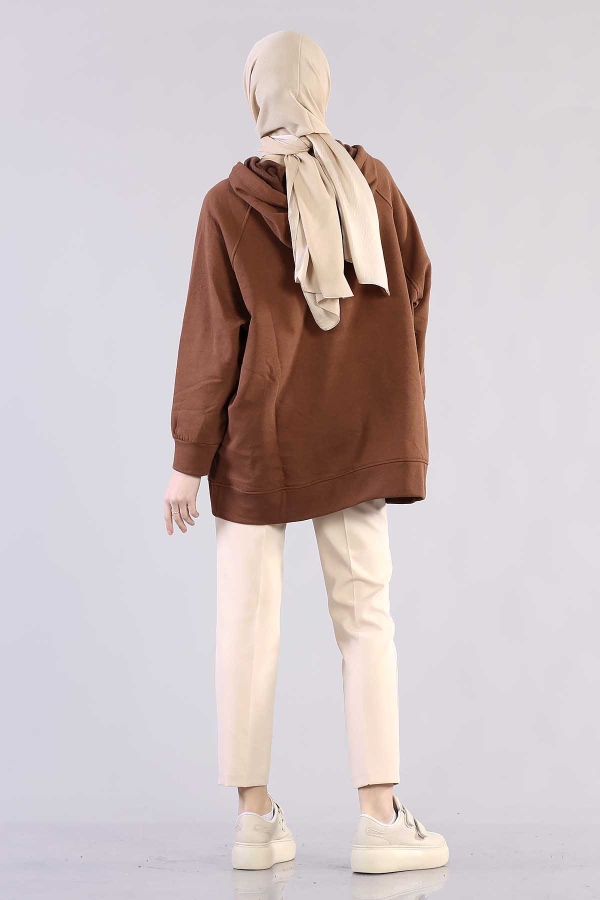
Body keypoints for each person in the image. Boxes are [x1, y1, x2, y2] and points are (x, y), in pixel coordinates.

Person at [163, 30, 448, 875]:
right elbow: (417, 289)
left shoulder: (227, 204)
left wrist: (187, 461)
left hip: (259, 447)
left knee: (245, 626)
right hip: (358, 435)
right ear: (320, 88)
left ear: (258, 95)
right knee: (367, 621)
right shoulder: (374, 183)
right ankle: (381, 822)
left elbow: (212, 340)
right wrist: (390, 397)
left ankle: (254, 822)